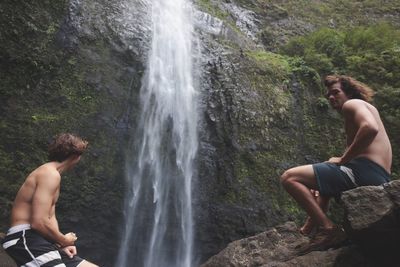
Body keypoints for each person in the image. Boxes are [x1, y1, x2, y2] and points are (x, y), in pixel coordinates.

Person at [280, 75, 392, 254]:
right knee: (324, 186)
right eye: (328, 95)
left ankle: (329, 230)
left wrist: (342, 160)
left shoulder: (352, 104)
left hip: (365, 172)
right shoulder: (366, 108)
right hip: (377, 176)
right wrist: (339, 162)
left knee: (289, 177)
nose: (331, 97)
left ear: (349, 92)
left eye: (336, 92)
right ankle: (309, 229)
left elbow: (370, 128)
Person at [1, 133, 99, 267]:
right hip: (24, 238)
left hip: (40, 240)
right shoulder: (49, 174)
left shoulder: (52, 174)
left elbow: (49, 218)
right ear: (75, 156)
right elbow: (39, 222)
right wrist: (64, 240)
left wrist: (59, 244)